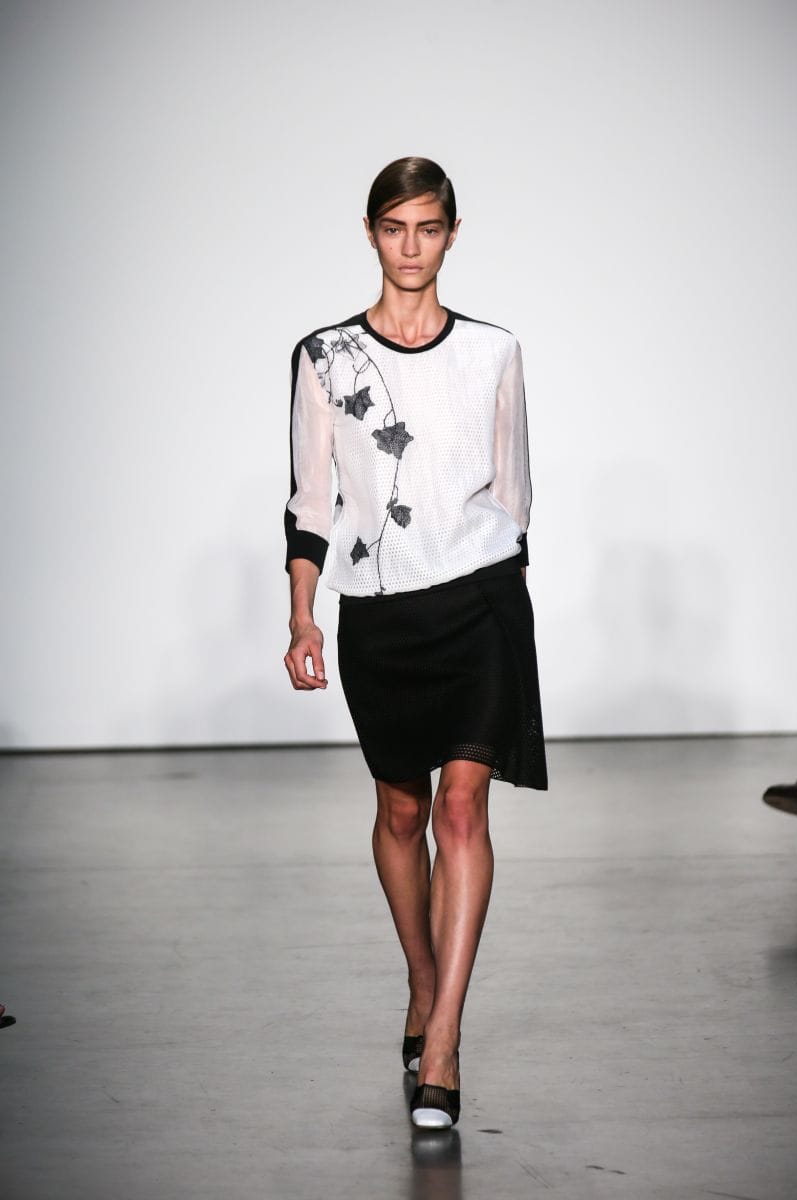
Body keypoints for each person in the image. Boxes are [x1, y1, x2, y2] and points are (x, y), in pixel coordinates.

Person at [282, 156, 548, 1129]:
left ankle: (443, 1041)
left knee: (463, 811)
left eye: (427, 227)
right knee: (402, 810)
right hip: (381, 613)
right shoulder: (324, 356)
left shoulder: (493, 352)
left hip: (480, 604)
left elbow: (514, 493)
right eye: (394, 227)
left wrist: (506, 600)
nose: (410, 246)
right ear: (370, 233)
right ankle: (422, 980)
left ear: (451, 233)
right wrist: (303, 614)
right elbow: (311, 500)